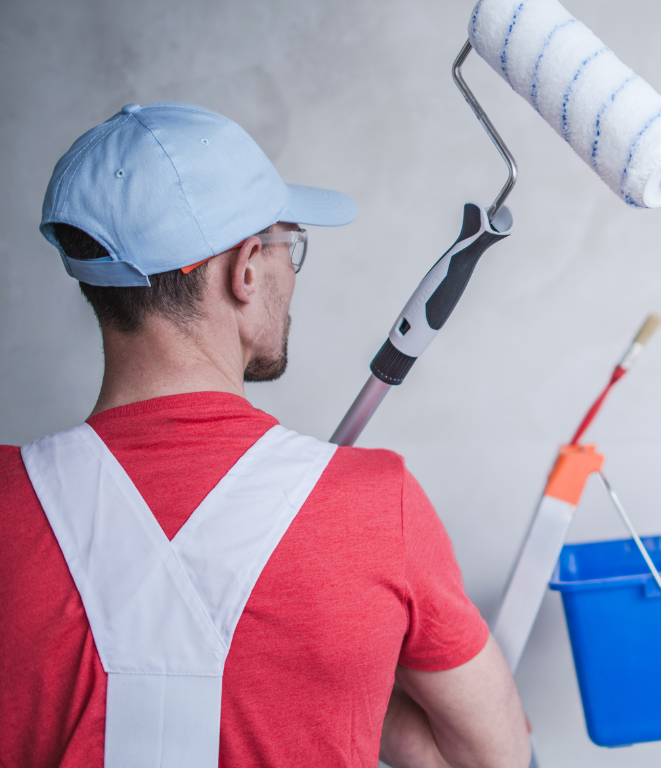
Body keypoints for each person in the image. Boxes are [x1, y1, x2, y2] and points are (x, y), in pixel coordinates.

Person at [0, 102, 530, 768]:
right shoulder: (373, 508)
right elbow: (493, 759)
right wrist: (359, 668)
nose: (290, 272)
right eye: (289, 245)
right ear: (245, 269)